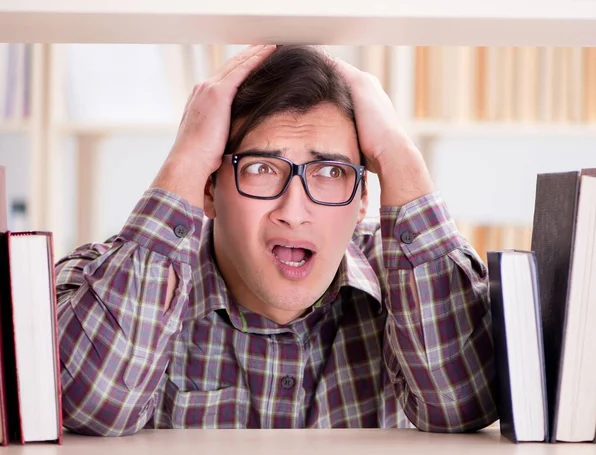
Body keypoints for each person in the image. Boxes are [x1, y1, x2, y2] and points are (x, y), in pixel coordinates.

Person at [55, 44, 497, 436]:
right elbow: (90, 408)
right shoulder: (101, 282)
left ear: (363, 199)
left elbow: (462, 405)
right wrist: (186, 157)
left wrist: (400, 155)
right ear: (208, 189)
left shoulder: (405, 276)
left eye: (330, 172)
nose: (293, 210)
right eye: (262, 168)